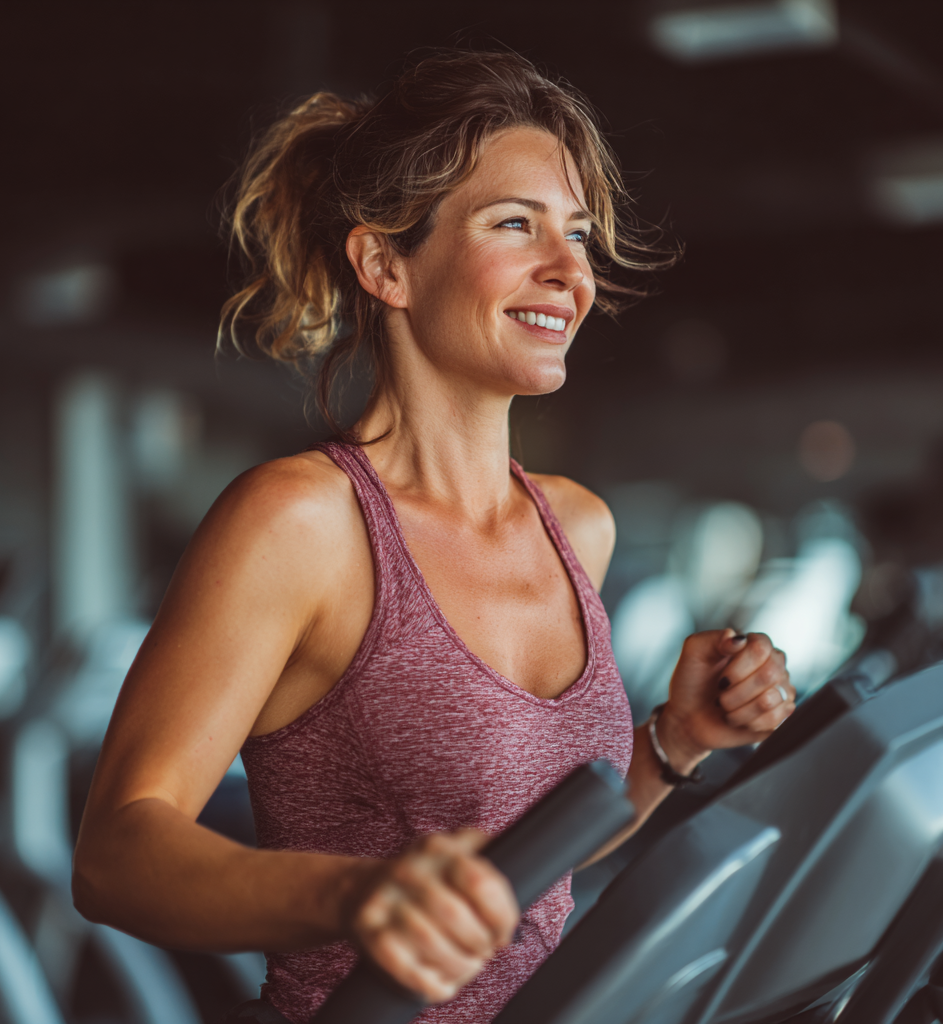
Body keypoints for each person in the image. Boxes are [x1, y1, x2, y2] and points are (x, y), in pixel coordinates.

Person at [72, 49, 794, 1024]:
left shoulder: (576, 525)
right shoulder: (303, 523)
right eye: (516, 224)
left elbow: (522, 865)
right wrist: (359, 895)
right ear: (386, 266)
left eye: (578, 234)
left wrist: (677, 739)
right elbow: (115, 854)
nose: (569, 271)